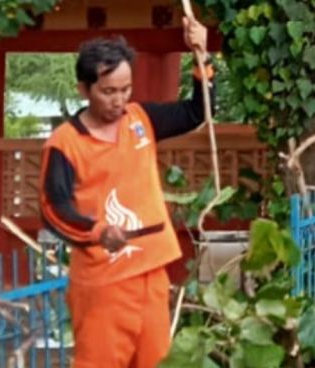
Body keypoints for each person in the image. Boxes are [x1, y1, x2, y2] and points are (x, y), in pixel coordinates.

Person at [39, 19, 214, 368]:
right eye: (108, 92)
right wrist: (99, 231)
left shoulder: (141, 118)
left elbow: (198, 112)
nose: (119, 101)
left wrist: (201, 54)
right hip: (103, 281)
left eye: (125, 89)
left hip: (151, 271)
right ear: (84, 89)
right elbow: (54, 208)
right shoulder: (65, 142)